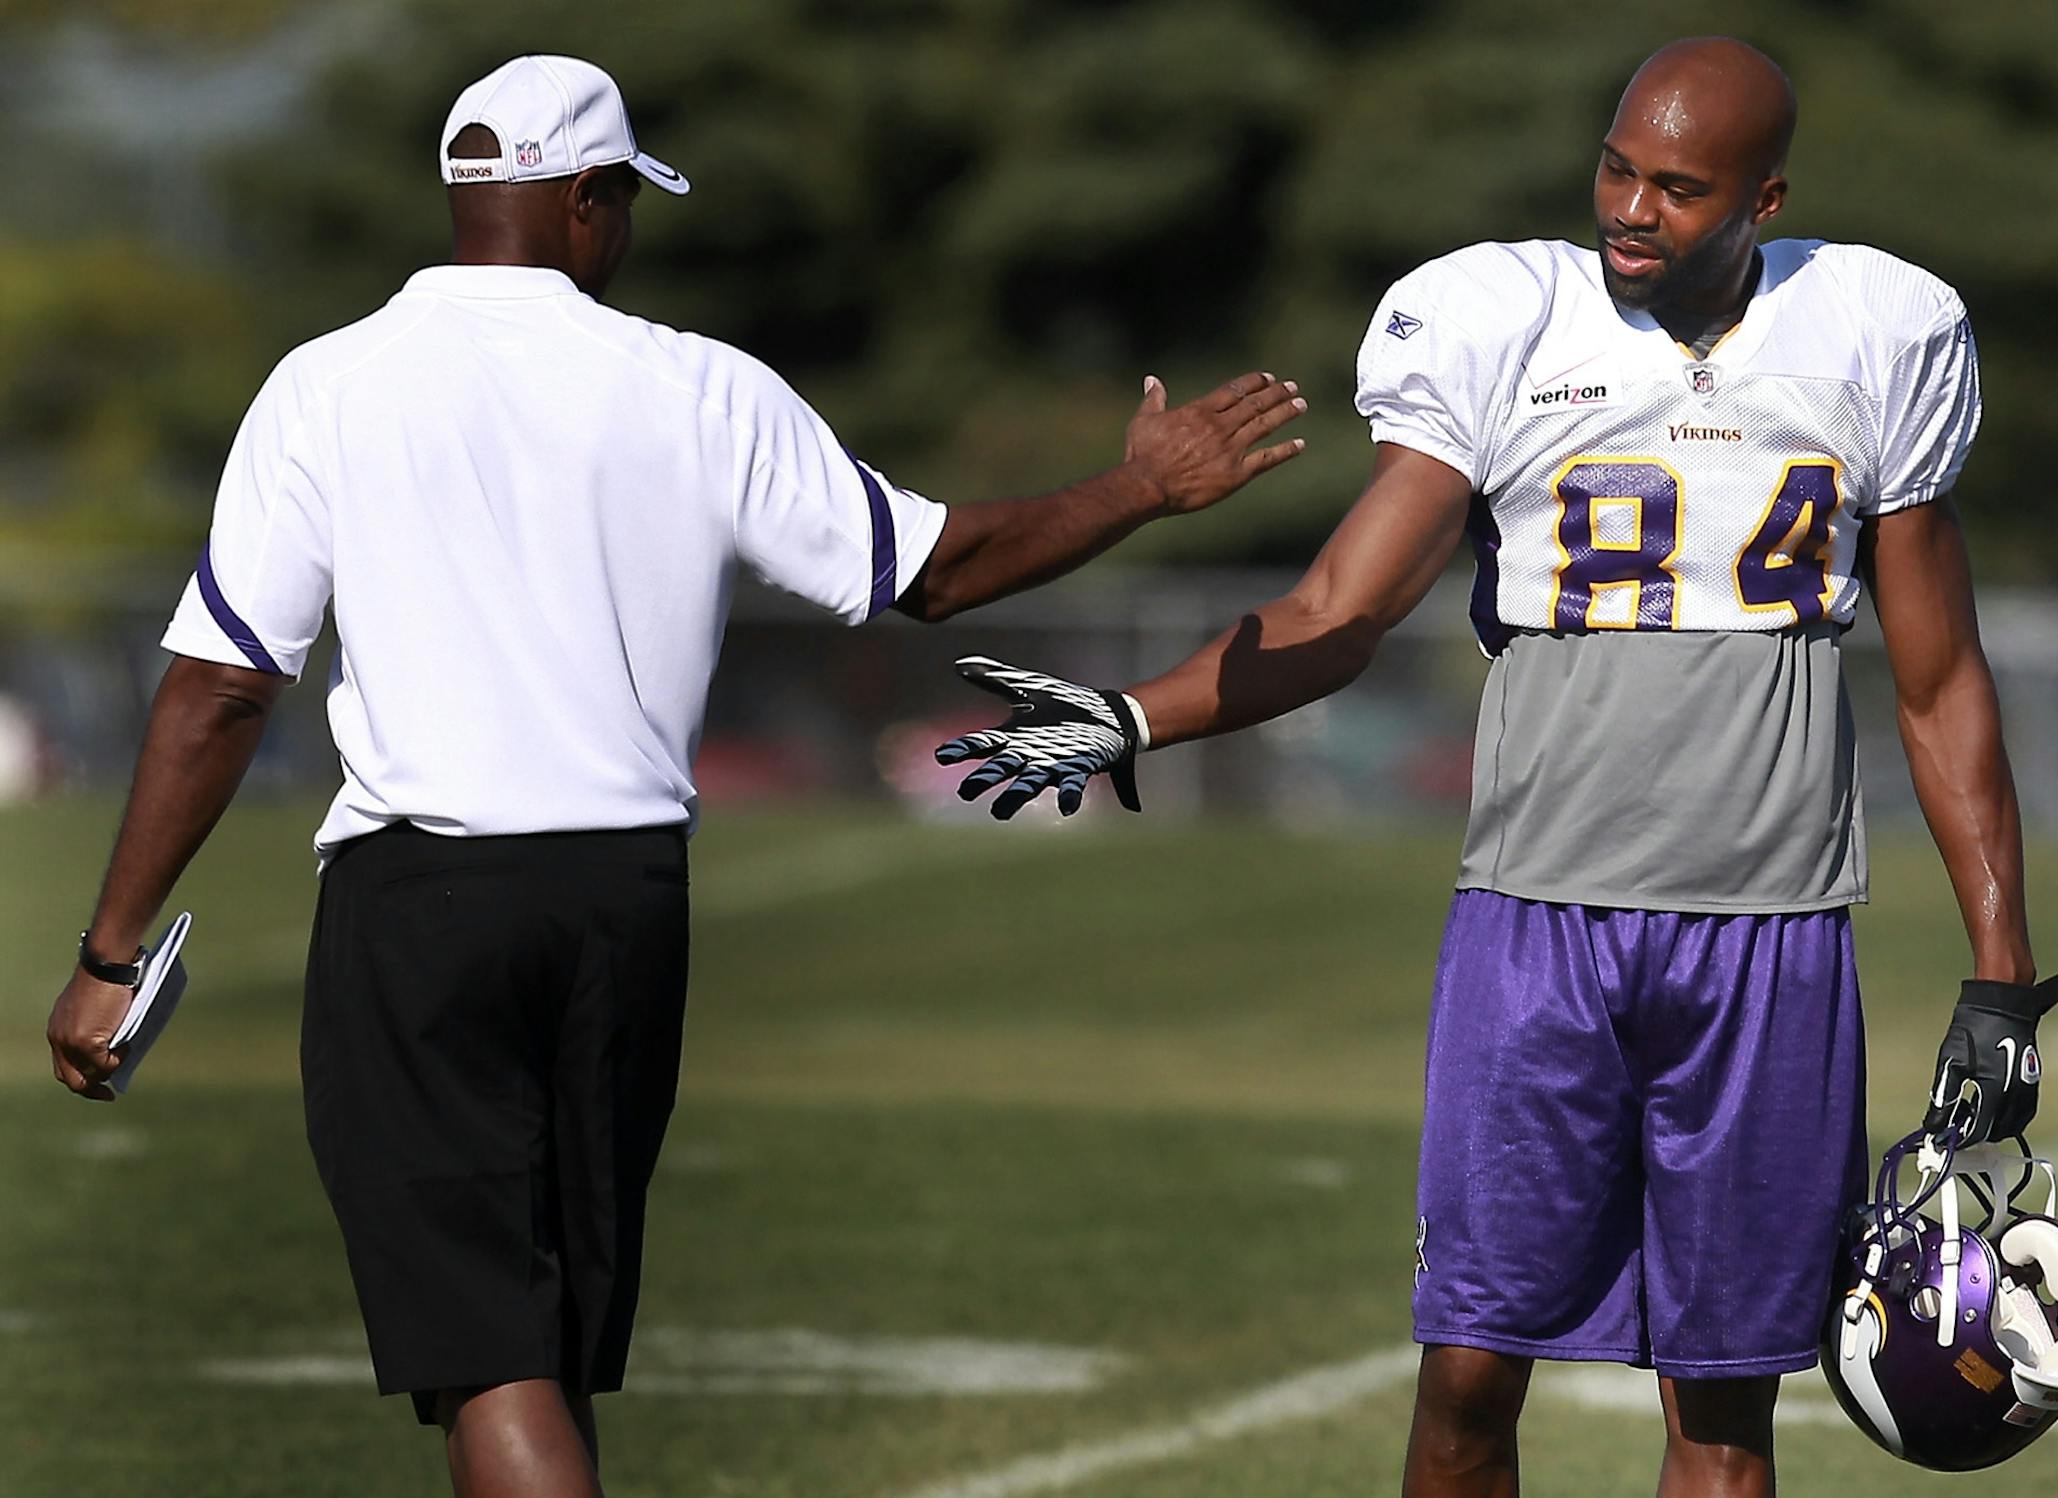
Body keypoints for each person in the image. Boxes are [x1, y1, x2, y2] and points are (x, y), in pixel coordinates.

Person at [41, 53, 1304, 1498]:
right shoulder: (697, 385)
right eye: (622, 200)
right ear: (584, 199)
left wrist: (111, 949)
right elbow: (940, 570)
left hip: (424, 896)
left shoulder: (324, 385)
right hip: (625, 897)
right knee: (547, 1346)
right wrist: (1139, 484)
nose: (625, 227)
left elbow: (219, 689)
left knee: (489, 1354)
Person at [935, 36, 2058, 1498]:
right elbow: (1334, 612)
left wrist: (2001, 972)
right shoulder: (1504, 320)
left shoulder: (1877, 334)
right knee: (1471, 1371)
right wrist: (1131, 717)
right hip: (1538, 922)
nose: (1631, 207)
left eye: (1678, 187)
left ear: (1765, 201)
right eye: (1618, 167)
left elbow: (1939, 681)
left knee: (1725, 1413)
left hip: (1773, 934)